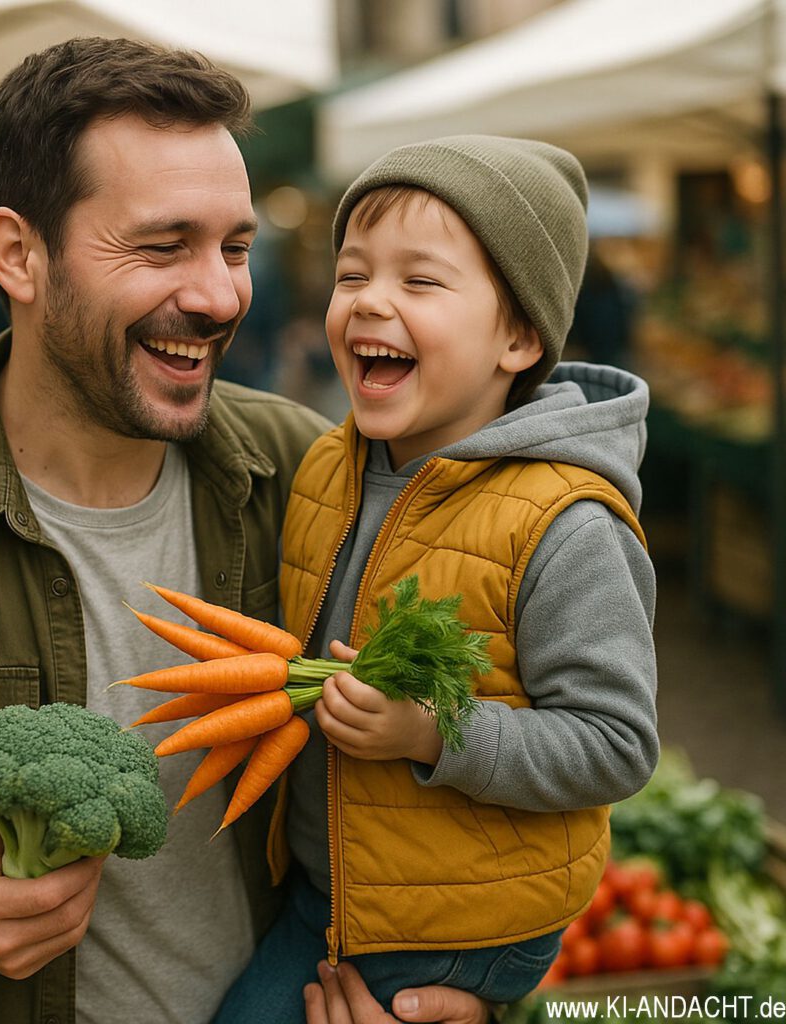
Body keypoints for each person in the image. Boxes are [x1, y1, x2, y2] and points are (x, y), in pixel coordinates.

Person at [0, 39, 494, 1024]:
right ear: (19, 254)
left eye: (234, 247)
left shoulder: (313, 472)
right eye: (162, 246)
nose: (220, 294)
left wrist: (461, 993)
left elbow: (454, 746)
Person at [215, 136, 660, 1022]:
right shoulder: (326, 469)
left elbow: (616, 744)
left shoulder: (564, 523)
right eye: (352, 276)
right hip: (340, 895)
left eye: (420, 282)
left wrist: (430, 733)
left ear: (519, 336)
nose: (371, 301)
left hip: (457, 927)